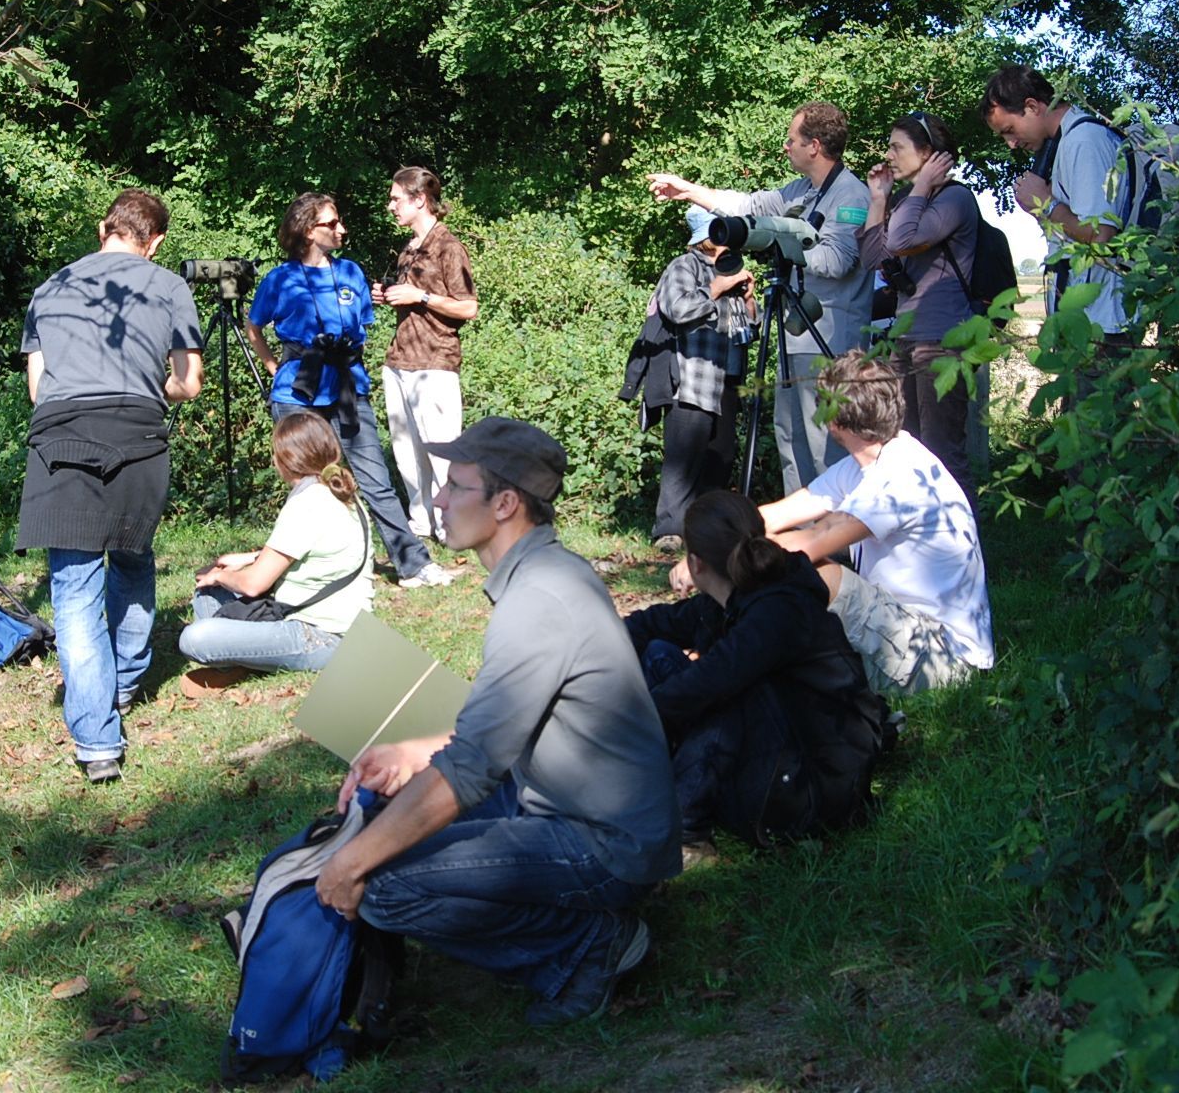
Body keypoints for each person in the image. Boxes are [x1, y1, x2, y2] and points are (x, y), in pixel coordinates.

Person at [314, 418, 682, 1027]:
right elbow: (507, 724)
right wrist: (414, 751)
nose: (438, 500)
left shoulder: (537, 601)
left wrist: (349, 867)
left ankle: (584, 948)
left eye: (456, 487)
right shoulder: (546, 575)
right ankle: (578, 931)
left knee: (382, 884)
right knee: (381, 824)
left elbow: (469, 772)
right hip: (571, 809)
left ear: (505, 503)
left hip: (602, 844)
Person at [16, 188, 204, 783]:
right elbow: (188, 384)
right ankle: (123, 684)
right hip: (138, 436)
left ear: (105, 228)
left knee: (72, 591)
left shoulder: (50, 288)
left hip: (62, 438)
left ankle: (97, 745)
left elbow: (37, 389)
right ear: (156, 241)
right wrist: (154, 385)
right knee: (130, 560)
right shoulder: (171, 286)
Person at [624, 490, 888, 847]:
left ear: (695, 563)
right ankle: (646, 781)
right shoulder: (734, 597)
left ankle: (685, 825)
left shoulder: (778, 611)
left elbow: (708, 682)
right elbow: (654, 625)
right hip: (783, 750)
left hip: (809, 790)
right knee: (659, 654)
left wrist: (617, 723)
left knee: (723, 693)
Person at [648, 102, 873, 490]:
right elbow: (748, 206)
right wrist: (688, 191)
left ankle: (837, 541)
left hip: (830, 337)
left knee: (825, 441)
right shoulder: (801, 190)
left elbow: (838, 260)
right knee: (790, 436)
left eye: (791, 140)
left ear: (814, 146)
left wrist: (783, 244)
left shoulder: (851, 195)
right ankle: (801, 536)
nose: (785, 147)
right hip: (794, 334)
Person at [246, 191, 455, 589]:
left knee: (375, 479)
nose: (341, 229)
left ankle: (413, 564)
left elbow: (359, 326)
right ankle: (301, 569)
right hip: (298, 394)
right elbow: (254, 328)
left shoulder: (351, 273)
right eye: (331, 223)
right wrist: (274, 366)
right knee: (308, 487)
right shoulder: (281, 279)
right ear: (308, 230)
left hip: (347, 388)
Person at [757, 351, 994, 692]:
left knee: (813, 573)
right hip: (904, 631)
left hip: (943, 658)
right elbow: (779, 514)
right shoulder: (871, 460)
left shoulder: (898, 477)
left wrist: (721, 552)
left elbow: (810, 543)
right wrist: (718, 537)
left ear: (835, 422)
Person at [175, 409, 375, 693]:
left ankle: (242, 662)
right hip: (329, 622)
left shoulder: (307, 503)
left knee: (195, 638)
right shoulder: (337, 492)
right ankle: (249, 659)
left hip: (323, 636)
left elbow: (255, 584)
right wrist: (248, 559)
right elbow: (313, 550)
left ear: (285, 460)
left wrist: (220, 576)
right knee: (207, 596)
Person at [980, 65, 1138, 358]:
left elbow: (1100, 237)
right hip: (1086, 325)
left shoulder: (1084, 140)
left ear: (1032, 106)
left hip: (1103, 327)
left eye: (1010, 130)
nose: (1011, 144)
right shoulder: (1066, 143)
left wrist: (1046, 203)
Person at [864, 110, 980, 503]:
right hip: (906, 337)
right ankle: (920, 540)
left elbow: (902, 241)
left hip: (944, 339)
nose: (889, 155)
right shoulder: (906, 202)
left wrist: (921, 187)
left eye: (898, 147)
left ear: (929, 152)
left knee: (942, 451)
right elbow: (873, 258)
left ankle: (964, 551)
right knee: (903, 447)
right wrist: (879, 198)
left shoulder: (956, 199)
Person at [638, 218, 755, 551]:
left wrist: (749, 301)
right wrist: (717, 287)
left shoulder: (732, 267)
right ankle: (669, 531)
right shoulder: (683, 266)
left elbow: (748, 330)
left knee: (721, 456)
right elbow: (677, 309)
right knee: (683, 458)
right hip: (691, 378)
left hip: (728, 379)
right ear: (708, 236)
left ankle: (707, 533)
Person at [373, 167, 477, 545]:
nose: (391, 206)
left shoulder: (449, 247)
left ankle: (457, 525)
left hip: (435, 361)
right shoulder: (408, 250)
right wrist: (389, 296)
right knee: (406, 452)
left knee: (443, 451)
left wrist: (421, 297)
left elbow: (468, 308)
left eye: (396, 199)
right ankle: (422, 523)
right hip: (399, 361)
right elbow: (411, 301)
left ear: (419, 200)